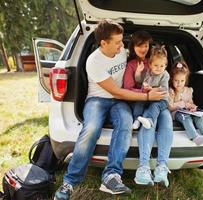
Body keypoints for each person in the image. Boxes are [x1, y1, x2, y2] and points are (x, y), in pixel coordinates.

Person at [54, 20, 167, 200]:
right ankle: (70, 181)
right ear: (103, 43)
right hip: (98, 99)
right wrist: (147, 97)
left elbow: (139, 70)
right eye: (117, 42)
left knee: (126, 123)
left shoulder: (121, 50)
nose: (122, 46)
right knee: (91, 129)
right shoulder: (94, 61)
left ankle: (111, 176)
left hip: (118, 101)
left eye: (122, 41)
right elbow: (116, 91)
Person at [123, 31, 173, 187]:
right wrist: (147, 93)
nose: (143, 48)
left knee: (166, 119)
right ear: (133, 47)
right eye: (140, 45)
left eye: (146, 45)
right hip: (142, 100)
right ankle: (143, 167)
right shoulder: (132, 64)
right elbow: (129, 88)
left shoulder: (156, 63)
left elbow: (164, 84)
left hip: (158, 101)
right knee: (149, 119)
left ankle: (162, 167)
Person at [168, 61, 203, 146]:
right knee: (186, 117)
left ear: (186, 80)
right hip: (176, 113)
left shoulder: (188, 90)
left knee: (198, 117)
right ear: (172, 79)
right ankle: (195, 137)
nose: (179, 83)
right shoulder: (171, 91)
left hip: (187, 111)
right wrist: (182, 104)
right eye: (176, 80)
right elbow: (170, 107)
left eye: (182, 80)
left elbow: (191, 102)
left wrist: (193, 107)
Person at [124, 44, 169, 129]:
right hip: (149, 97)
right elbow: (139, 81)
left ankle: (149, 120)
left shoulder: (165, 75)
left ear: (165, 66)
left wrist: (152, 89)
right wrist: (138, 73)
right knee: (139, 102)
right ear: (150, 65)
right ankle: (136, 120)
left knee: (154, 106)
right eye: (156, 65)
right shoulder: (148, 72)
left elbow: (164, 88)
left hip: (161, 99)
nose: (158, 68)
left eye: (162, 66)